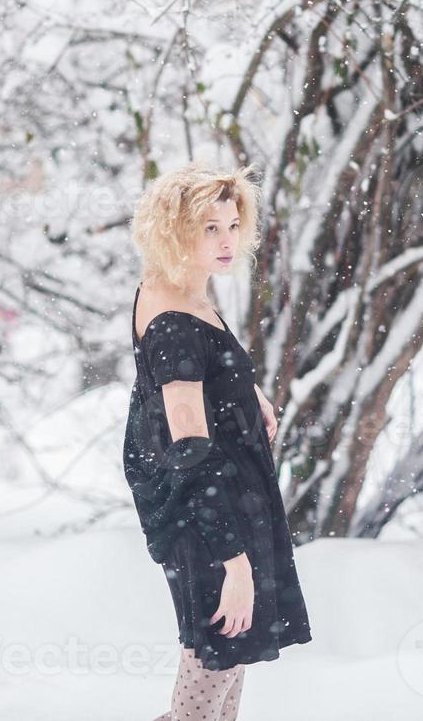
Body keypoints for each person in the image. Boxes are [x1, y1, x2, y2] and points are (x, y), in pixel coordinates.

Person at [124, 161, 312, 721]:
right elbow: (188, 448)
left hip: (222, 505)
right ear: (174, 231)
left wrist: (242, 389)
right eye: (210, 228)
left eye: (232, 225)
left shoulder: (175, 289)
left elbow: (176, 381)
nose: (228, 241)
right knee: (204, 699)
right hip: (210, 518)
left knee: (222, 680)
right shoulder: (175, 322)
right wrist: (234, 563)